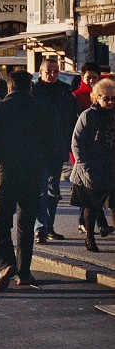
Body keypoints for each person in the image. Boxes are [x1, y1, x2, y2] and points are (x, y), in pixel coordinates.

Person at [0, 69, 54, 291]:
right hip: (32, 174)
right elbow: (50, 142)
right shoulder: (41, 110)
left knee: (1, 222)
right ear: (30, 87)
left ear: (9, 87)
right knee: (26, 224)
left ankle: (5, 264)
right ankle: (24, 273)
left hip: (5, 172)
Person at [31, 57, 79, 245]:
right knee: (41, 191)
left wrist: (69, 145)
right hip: (38, 149)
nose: (52, 75)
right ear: (41, 72)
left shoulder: (65, 91)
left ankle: (49, 227)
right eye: (48, 71)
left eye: (55, 71)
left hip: (57, 149)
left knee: (54, 191)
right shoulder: (33, 91)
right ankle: (40, 229)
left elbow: (71, 121)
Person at [70, 78, 115, 252]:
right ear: (96, 98)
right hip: (92, 167)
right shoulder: (89, 115)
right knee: (92, 205)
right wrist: (86, 167)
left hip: (111, 165)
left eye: (113, 98)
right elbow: (77, 143)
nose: (110, 102)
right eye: (106, 98)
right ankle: (89, 237)